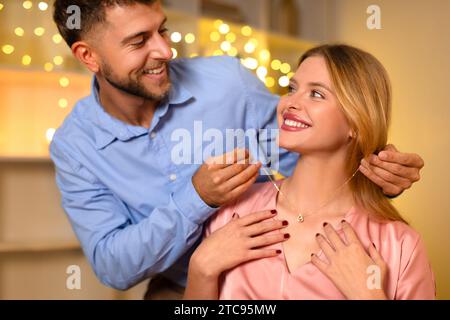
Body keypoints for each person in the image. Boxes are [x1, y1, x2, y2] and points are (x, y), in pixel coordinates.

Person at [50, 0, 425, 298]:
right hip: (180, 287)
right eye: (138, 41)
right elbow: (114, 266)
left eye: (161, 30)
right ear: (88, 56)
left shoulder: (227, 82)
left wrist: (374, 170)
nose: (164, 50)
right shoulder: (75, 147)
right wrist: (197, 205)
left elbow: (307, 151)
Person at [184, 44, 435, 300]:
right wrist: (201, 268)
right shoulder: (232, 212)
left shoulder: (398, 244)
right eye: (292, 89)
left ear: (357, 123)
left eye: (316, 94)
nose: (290, 102)